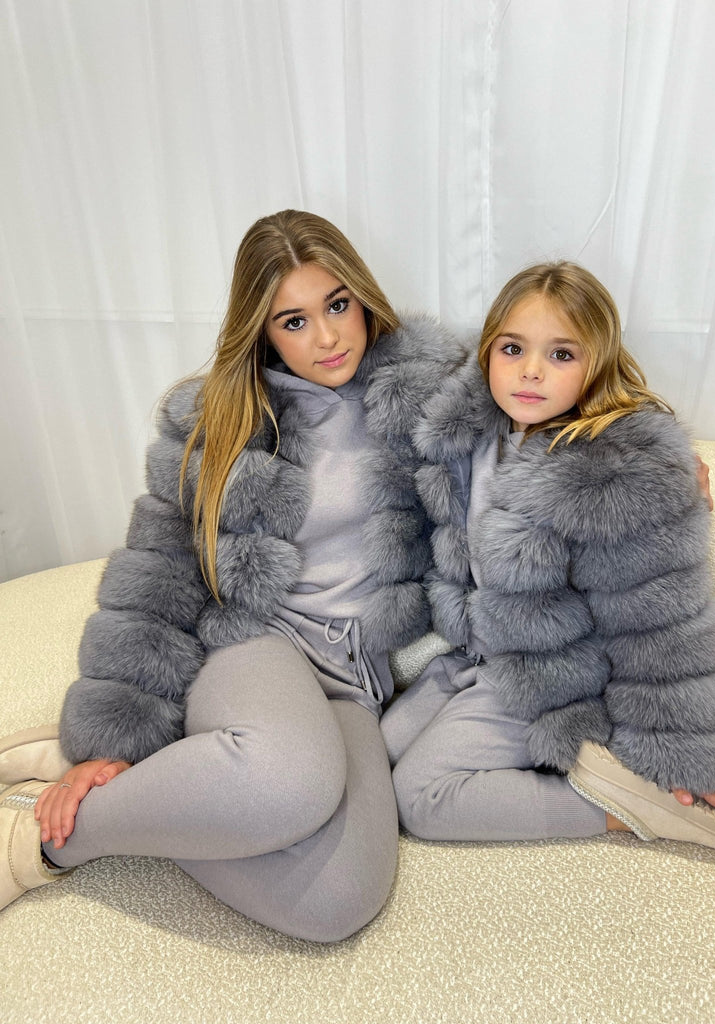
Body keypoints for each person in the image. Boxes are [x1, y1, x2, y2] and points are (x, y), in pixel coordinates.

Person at [0, 209, 464, 940]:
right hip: (257, 643)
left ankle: (182, 778)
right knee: (292, 782)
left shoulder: (434, 391)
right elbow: (157, 580)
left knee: (340, 903)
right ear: (264, 331)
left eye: (337, 305)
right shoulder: (218, 420)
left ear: (362, 296)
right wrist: (113, 739)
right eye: (294, 321)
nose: (327, 337)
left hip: (356, 679)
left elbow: (526, 441)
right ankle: (44, 841)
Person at [381, 261, 715, 854]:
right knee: (381, 747)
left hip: (556, 682)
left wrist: (681, 753)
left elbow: (659, 628)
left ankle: (625, 808)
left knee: (420, 797)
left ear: (596, 365)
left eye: (561, 354)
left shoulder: (612, 476)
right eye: (513, 348)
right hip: (476, 659)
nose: (531, 370)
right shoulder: (473, 437)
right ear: (487, 353)